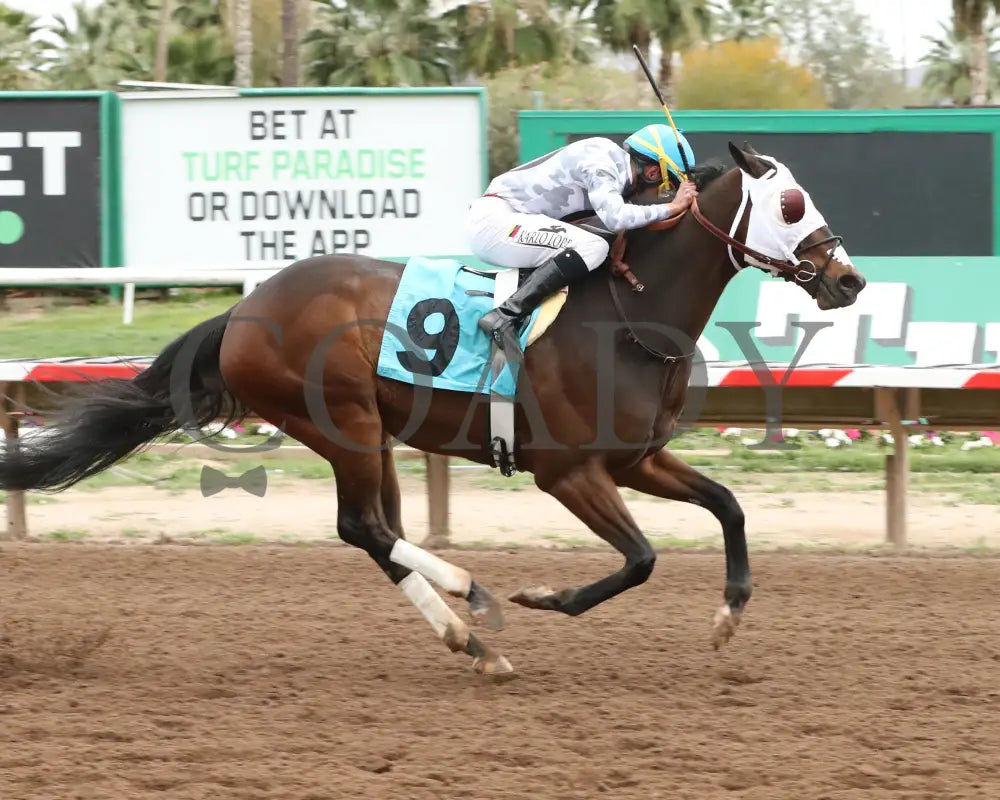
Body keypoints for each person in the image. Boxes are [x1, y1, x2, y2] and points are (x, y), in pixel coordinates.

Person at [467, 123, 700, 355]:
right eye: (666, 190)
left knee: (596, 245)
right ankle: (505, 316)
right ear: (653, 173)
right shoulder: (602, 159)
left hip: (512, 221)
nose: (664, 198)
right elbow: (616, 217)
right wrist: (673, 206)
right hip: (495, 223)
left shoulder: (615, 174)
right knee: (593, 247)